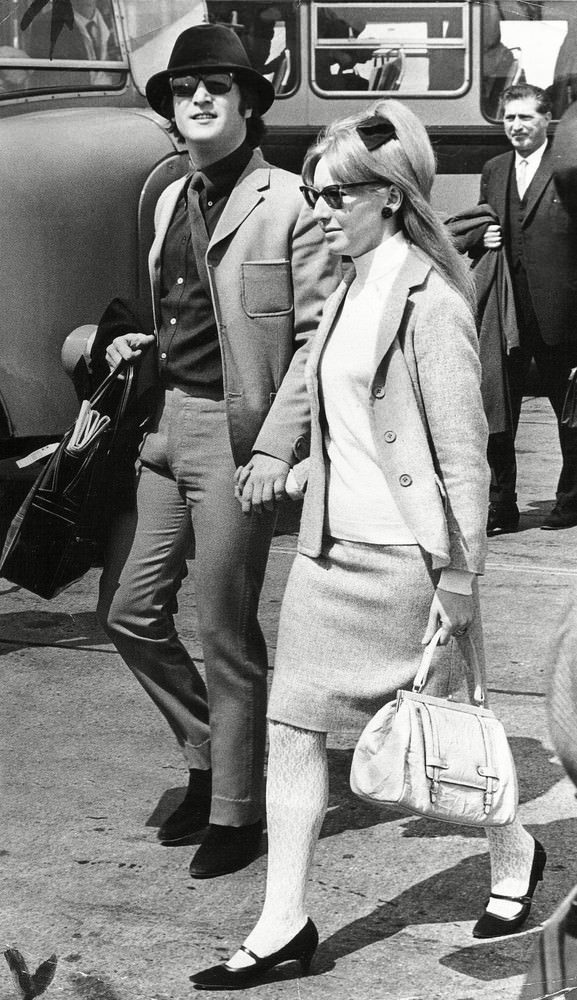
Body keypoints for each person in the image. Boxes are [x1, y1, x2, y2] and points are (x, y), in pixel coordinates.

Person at [190, 99, 546, 990]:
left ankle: (515, 849)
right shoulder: (345, 284)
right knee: (293, 731)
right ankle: (283, 923)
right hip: (327, 555)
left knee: (446, 738)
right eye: (311, 193)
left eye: (333, 196)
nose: (316, 210)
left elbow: (465, 454)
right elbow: (330, 399)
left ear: (386, 198)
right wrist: (291, 463)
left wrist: (459, 578)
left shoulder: (429, 299)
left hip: (406, 562)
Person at [96, 23, 337, 880]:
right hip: (160, 426)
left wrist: (277, 447)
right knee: (127, 611)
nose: (197, 99)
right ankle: (208, 753)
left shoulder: (289, 205)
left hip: (233, 442)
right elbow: (176, 311)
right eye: (182, 88)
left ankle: (238, 809)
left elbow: (316, 341)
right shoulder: (169, 199)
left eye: (215, 87)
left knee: (224, 630)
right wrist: (132, 349)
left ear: (246, 103)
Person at [478, 84, 577, 535]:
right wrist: (484, 237)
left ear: (546, 121)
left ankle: (570, 502)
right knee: (498, 415)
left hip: (562, 316)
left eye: (526, 118)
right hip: (506, 316)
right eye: (509, 118)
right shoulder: (494, 169)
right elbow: (482, 221)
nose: (516, 126)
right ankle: (502, 505)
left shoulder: (568, 168)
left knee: (570, 415)